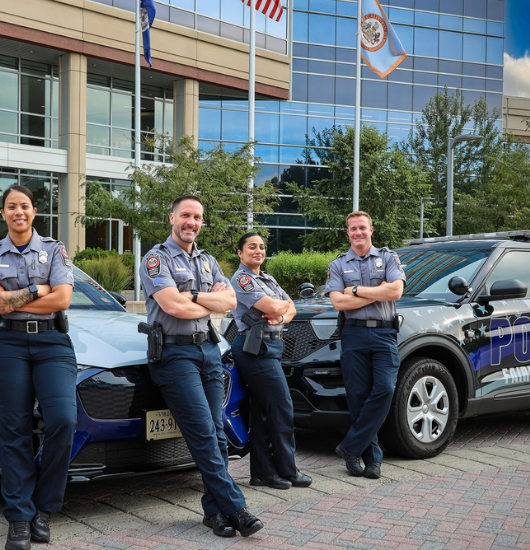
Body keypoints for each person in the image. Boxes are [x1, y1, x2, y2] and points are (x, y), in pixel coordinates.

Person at [139, 195, 263, 538]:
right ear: (172, 218)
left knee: (218, 435)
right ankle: (237, 508)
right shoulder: (156, 259)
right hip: (174, 356)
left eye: (197, 217)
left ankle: (215, 513)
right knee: (204, 435)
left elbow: (230, 300)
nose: (191, 222)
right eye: (185, 216)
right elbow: (172, 307)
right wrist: (204, 301)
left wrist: (191, 297)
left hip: (208, 352)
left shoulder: (207, 261)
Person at [0, 185, 76, 550]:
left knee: (64, 419)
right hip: (7, 345)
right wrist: (37, 291)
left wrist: (11, 298)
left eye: (25, 206)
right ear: (3, 214)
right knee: (14, 428)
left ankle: (44, 508)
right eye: (11, 207)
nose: (18, 212)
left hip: (52, 343)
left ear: (34, 212)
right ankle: (19, 517)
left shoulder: (53, 249)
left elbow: (63, 299)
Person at [325, 210, 406, 480]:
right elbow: (338, 302)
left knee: (384, 388)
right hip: (354, 335)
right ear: (347, 232)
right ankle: (372, 459)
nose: (358, 233)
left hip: (384, 334)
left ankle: (350, 446)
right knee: (358, 397)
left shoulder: (387, 257)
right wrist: (376, 293)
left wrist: (357, 291)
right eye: (353, 229)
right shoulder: (338, 264)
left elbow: (395, 291)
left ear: (371, 230)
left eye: (362, 228)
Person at [229, 233, 311, 490]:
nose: (258, 251)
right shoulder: (241, 278)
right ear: (240, 253)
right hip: (254, 347)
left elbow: (291, 307)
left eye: (262, 247)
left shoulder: (268, 278)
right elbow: (274, 306)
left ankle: (263, 473)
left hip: (272, 344)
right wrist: (280, 308)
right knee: (282, 406)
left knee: (264, 411)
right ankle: (288, 469)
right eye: (251, 247)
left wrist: (282, 316)